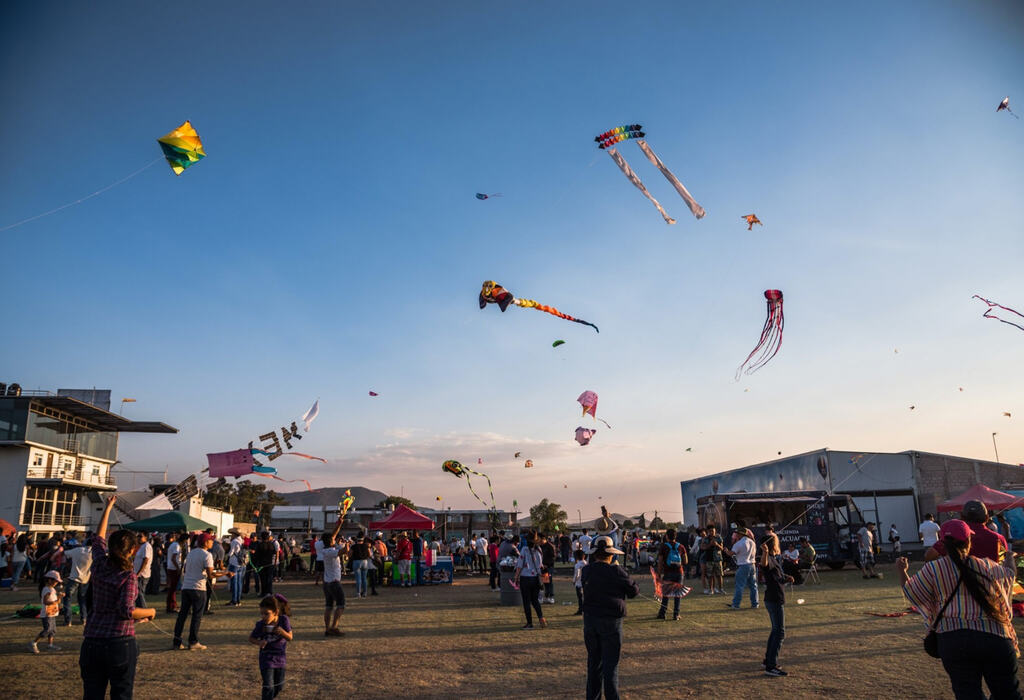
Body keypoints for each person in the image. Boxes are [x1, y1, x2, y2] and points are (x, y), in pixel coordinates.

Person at [899, 519, 1019, 699]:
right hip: (995, 637)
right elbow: (1009, 576)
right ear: (969, 542)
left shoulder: (933, 569)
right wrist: (1009, 558)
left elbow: (912, 593)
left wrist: (902, 570)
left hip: (953, 640)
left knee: (968, 693)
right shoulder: (986, 565)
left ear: (942, 543)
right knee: (1007, 693)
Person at [80, 496, 156, 699]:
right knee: (121, 694)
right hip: (119, 643)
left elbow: (98, 538)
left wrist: (108, 507)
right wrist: (150, 611)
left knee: (92, 694)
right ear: (132, 551)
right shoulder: (127, 576)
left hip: (92, 640)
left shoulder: (98, 564)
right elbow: (126, 610)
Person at [581, 535, 639, 700]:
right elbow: (633, 591)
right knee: (610, 665)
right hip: (611, 621)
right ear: (612, 554)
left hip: (591, 620)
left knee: (594, 663)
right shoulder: (616, 571)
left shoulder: (587, 570)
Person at [927, 500, 1010, 566]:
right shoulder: (998, 539)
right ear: (987, 517)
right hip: (990, 584)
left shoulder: (954, 537)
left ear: (962, 517)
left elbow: (929, 555)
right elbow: (1004, 561)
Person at [173, 533, 219, 650]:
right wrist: (226, 574)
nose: (212, 542)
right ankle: (193, 642)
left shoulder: (191, 553)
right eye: (210, 540)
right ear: (205, 542)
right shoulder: (207, 555)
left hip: (186, 587)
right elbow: (210, 575)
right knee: (197, 616)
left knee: (182, 615)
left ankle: (176, 642)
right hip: (198, 588)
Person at [759, 535, 793, 677]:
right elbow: (764, 565)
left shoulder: (775, 559)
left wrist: (786, 578)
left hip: (773, 598)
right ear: (773, 545)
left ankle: (768, 661)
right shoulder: (769, 558)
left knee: (775, 631)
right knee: (780, 632)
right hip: (774, 599)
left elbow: (777, 576)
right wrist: (765, 553)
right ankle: (771, 666)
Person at [250, 594, 293, 700]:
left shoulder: (283, 620)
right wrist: (259, 643)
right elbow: (251, 638)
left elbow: (290, 637)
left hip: (280, 658)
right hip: (266, 658)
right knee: (268, 686)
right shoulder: (260, 625)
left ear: (276, 612)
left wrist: (282, 632)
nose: (263, 617)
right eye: (262, 614)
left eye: (267, 614)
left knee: (279, 686)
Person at [514, 532, 546, 630]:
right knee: (535, 600)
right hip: (536, 578)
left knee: (526, 602)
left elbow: (519, 566)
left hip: (525, 578)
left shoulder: (524, 550)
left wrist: (516, 578)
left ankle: (529, 623)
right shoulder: (539, 550)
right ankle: (541, 618)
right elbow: (540, 565)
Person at [321, 516, 347, 636]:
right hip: (334, 583)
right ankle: (334, 627)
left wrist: (339, 524)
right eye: (333, 539)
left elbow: (333, 535)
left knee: (329, 606)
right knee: (341, 605)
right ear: (330, 541)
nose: (334, 539)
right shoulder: (331, 551)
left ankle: (327, 629)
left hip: (326, 583)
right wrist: (347, 544)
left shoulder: (325, 549)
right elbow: (343, 551)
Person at [656, 528, 687, 620]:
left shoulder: (663, 546)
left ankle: (662, 613)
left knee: (666, 594)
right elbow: (685, 561)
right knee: (677, 594)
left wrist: (659, 574)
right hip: (679, 573)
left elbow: (660, 562)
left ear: (666, 536)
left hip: (668, 572)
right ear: (675, 536)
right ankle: (676, 614)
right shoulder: (681, 546)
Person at [31, 570, 62, 653]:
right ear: (49, 580)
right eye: (56, 581)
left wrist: (59, 597)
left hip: (52, 613)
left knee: (53, 630)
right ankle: (34, 643)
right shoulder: (47, 589)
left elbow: (57, 601)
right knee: (47, 629)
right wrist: (55, 602)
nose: (57, 583)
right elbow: (45, 602)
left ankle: (50, 645)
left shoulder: (52, 589)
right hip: (47, 613)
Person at [63, 538, 92, 626]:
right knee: (82, 600)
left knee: (67, 598)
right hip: (85, 580)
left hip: (73, 578)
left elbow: (65, 553)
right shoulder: (94, 553)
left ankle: (68, 620)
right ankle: (84, 618)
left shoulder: (77, 550)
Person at [729, 528, 759, 610]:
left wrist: (725, 551)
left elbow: (731, 553)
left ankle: (736, 604)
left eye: (737, 533)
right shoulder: (752, 542)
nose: (736, 535)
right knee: (753, 586)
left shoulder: (738, 543)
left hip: (743, 565)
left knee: (739, 586)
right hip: (752, 565)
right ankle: (755, 604)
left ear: (740, 534)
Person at [701, 525, 724, 594]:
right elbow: (702, 548)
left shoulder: (718, 537)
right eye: (710, 531)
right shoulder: (705, 539)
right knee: (710, 575)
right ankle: (711, 590)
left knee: (719, 575)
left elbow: (722, 548)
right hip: (709, 559)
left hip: (717, 559)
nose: (712, 532)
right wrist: (710, 545)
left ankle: (720, 589)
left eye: (713, 531)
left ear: (715, 531)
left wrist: (717, 544)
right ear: (707, 531)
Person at [133, 532, 153, 609]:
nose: (138, 538)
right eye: (138, 536)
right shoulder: (142, 546)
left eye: (140, 536)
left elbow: (146, 560)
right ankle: (140, 609)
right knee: (138, 593)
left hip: (142, 574)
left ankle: (143, 610)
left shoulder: (146, 546)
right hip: (139, 573)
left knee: (139, 593)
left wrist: (139, 573)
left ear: (146, 537)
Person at [350, 533, 372, 598]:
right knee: (364, 579)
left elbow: (349, 554)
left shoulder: (353, 546)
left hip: (356, 561)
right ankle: (365, 593)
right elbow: (370, 555)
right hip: (365, 561)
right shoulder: (366, 546)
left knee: (358, 579)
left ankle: (358, 593)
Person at [227, 528, 245, 606]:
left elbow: (231, 553)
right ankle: (238, 600)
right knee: (239, 582)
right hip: (241, 563)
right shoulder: (242, 540)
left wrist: (227, 555)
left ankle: (234, 600)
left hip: (234, 563)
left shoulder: (234, 541)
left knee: (234, 583)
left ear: (234, 534)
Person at [165, 532, 182, 613]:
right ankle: (171, 606)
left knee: (172, 589)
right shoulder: (176, 545)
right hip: (173, 569)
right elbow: (173, 558)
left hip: (171, 568)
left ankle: (172, 605)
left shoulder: (173, 544)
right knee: (172, 589)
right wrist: (178, 568)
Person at [540, 532, 557, 604]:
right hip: (543, 567)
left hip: (549, 567)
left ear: (543, 539)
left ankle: (551, 597)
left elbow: (553, 557)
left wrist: (547, 564)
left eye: (540, 540)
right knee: (545, 582)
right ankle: (546, 596)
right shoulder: (541, 546)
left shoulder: (550, 546)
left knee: (549, 582)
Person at [573, 549, 587, 615]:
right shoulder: (587, 563)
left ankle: (580, 610)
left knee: (580, 598)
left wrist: (574, 581)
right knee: (586, 597)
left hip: (579, 583)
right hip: (586, 582)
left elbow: (577, 574)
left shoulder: (577, 565)